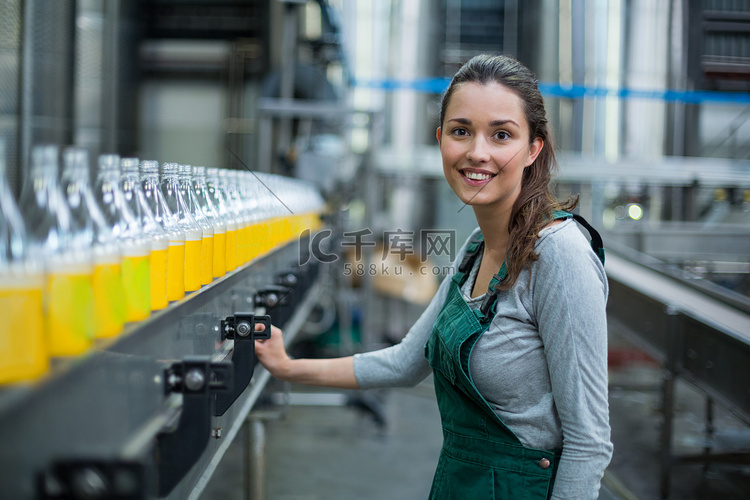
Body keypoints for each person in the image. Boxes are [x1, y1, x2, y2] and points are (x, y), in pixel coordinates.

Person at [254, 54, 613, 500]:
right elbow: (405, 362)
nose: (477, 152)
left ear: (533, 148)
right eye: (462, 131)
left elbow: (589, 444)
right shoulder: (474, 250)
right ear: (441, 139)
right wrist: (288, 367)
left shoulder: (560, 255)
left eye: (502, 135)